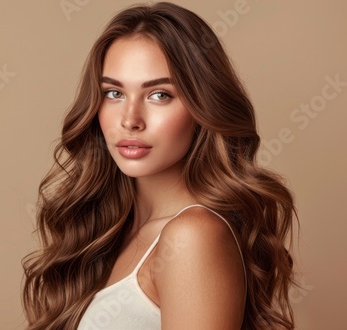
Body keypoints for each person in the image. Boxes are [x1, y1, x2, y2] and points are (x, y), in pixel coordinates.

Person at [22, 2, 297, 329]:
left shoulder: (193, 235)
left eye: (159, 95)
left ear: (202, 107)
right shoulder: (110, 232)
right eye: (114, 93)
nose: (130, 120)